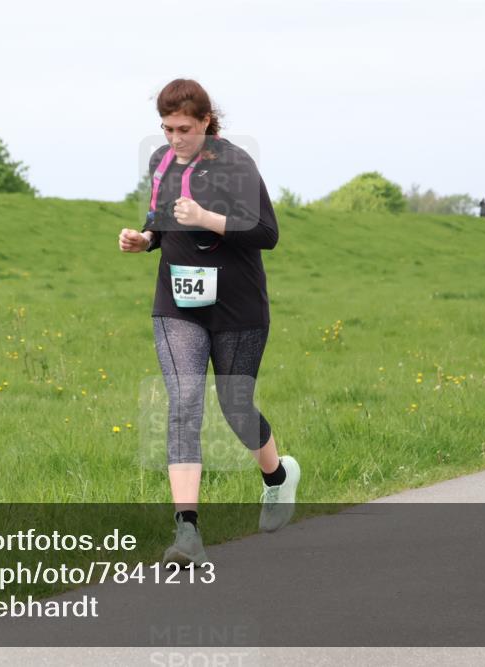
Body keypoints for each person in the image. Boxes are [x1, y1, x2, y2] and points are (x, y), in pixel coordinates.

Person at [118, 78, 301, 568]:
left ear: (205, 122)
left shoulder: (235, 164)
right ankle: (187, 532)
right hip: (178, 302)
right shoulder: (161, 162)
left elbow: (267, 232)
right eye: (166, 128)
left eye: (183, 128)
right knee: (183, 403)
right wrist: (146, 240)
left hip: (238, 304)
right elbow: (162, 220)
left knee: (235, 405)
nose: (174, 138)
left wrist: (206, 216)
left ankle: (278, 478)